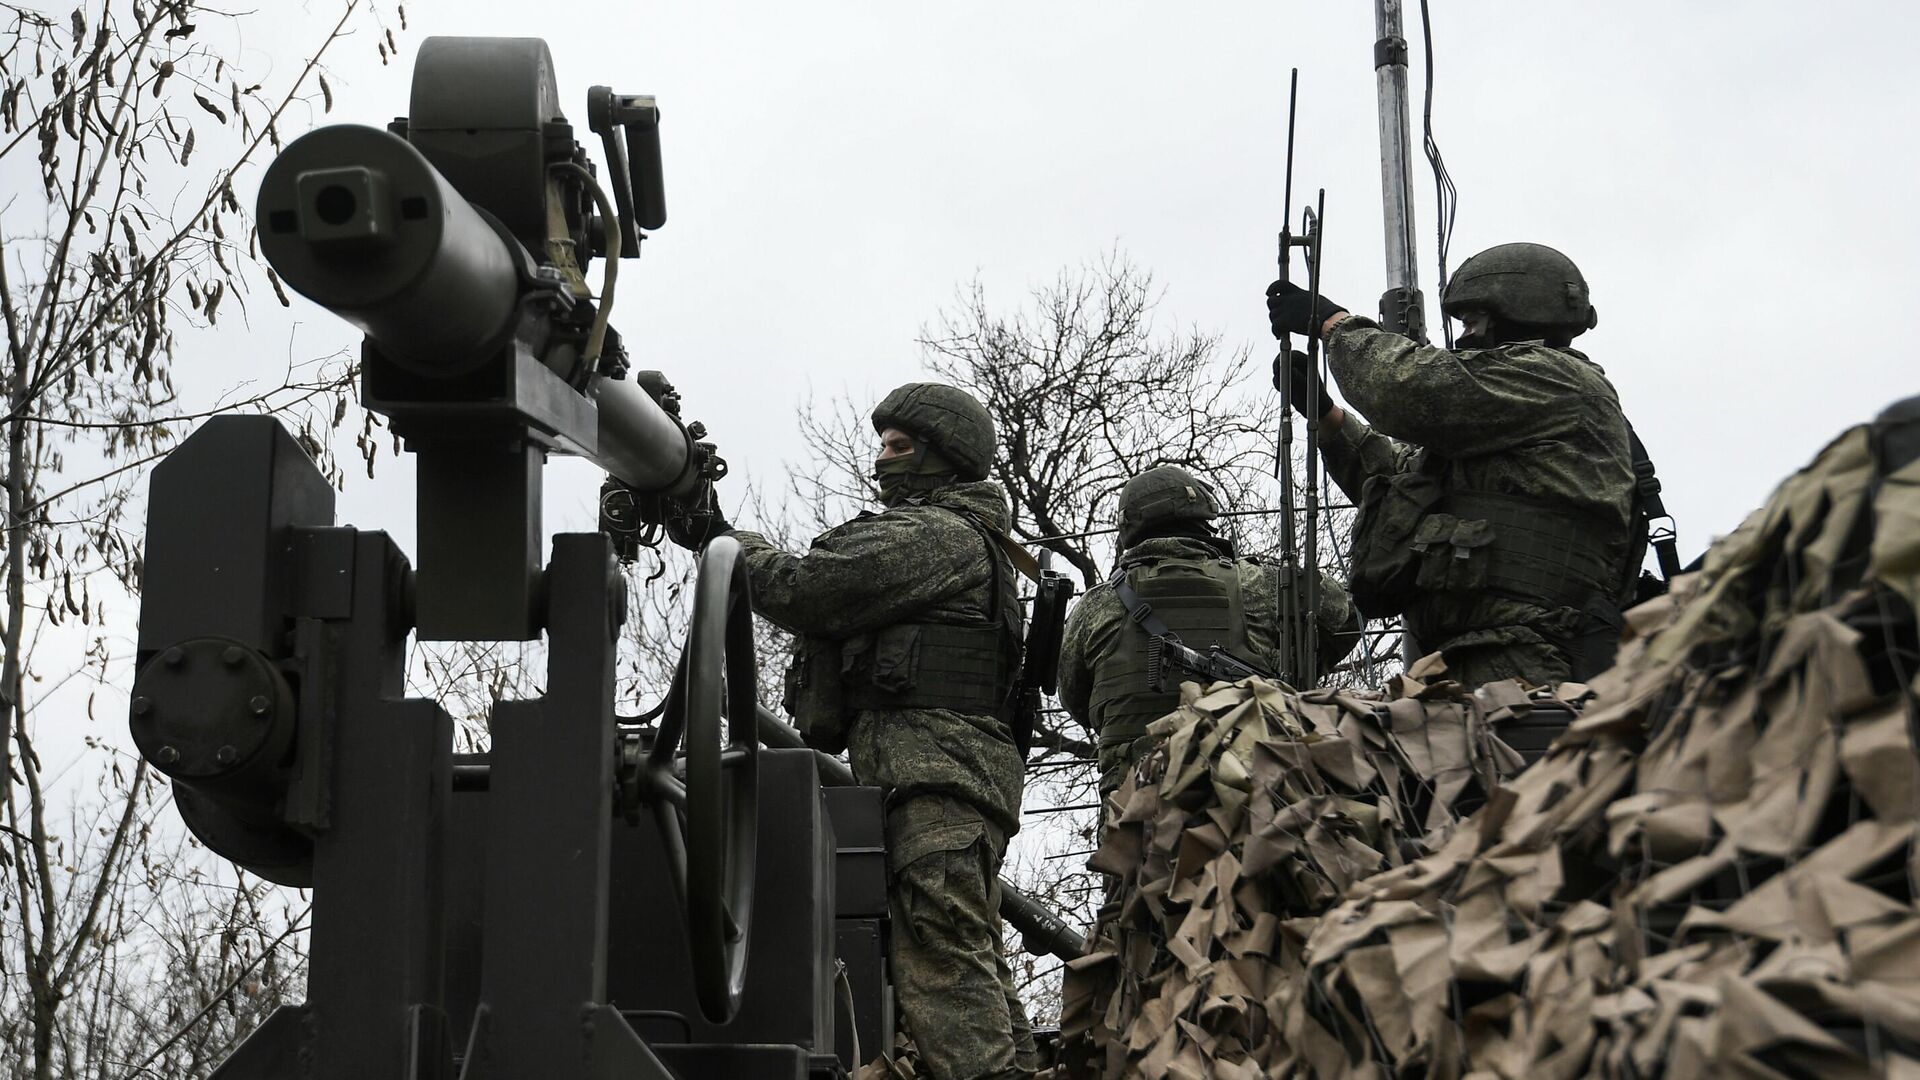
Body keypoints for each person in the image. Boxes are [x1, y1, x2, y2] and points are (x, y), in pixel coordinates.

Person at [680, 382, 1037, 1080]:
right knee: (966, 956)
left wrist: (721, 538)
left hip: (938, 780)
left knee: (946, 963)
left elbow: (809, 586)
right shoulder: (966, 539)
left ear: (945, 457)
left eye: (901, 448)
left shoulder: (942, 536)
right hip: (944, 782)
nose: (883, 462)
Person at [1265, 242, 1638, 688]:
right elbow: (1406, 482)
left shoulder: (1556, 379)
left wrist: (1334, 325)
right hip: (1471, 657)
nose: (1464, 337)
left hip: (1534, 659)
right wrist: (1329, 419)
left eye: (1474, 322)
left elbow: (1405, 387)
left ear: (1518, 312)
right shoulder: (1502, 424)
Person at [1057, 465, 1360, 796]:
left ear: (1128, 532)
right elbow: (1347, 615)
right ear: (1202, 516)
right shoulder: (1258, 583)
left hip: (1134, 809)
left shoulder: (1096, 606)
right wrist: (1292, 673)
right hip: (1245, 802)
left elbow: (1076, 698)